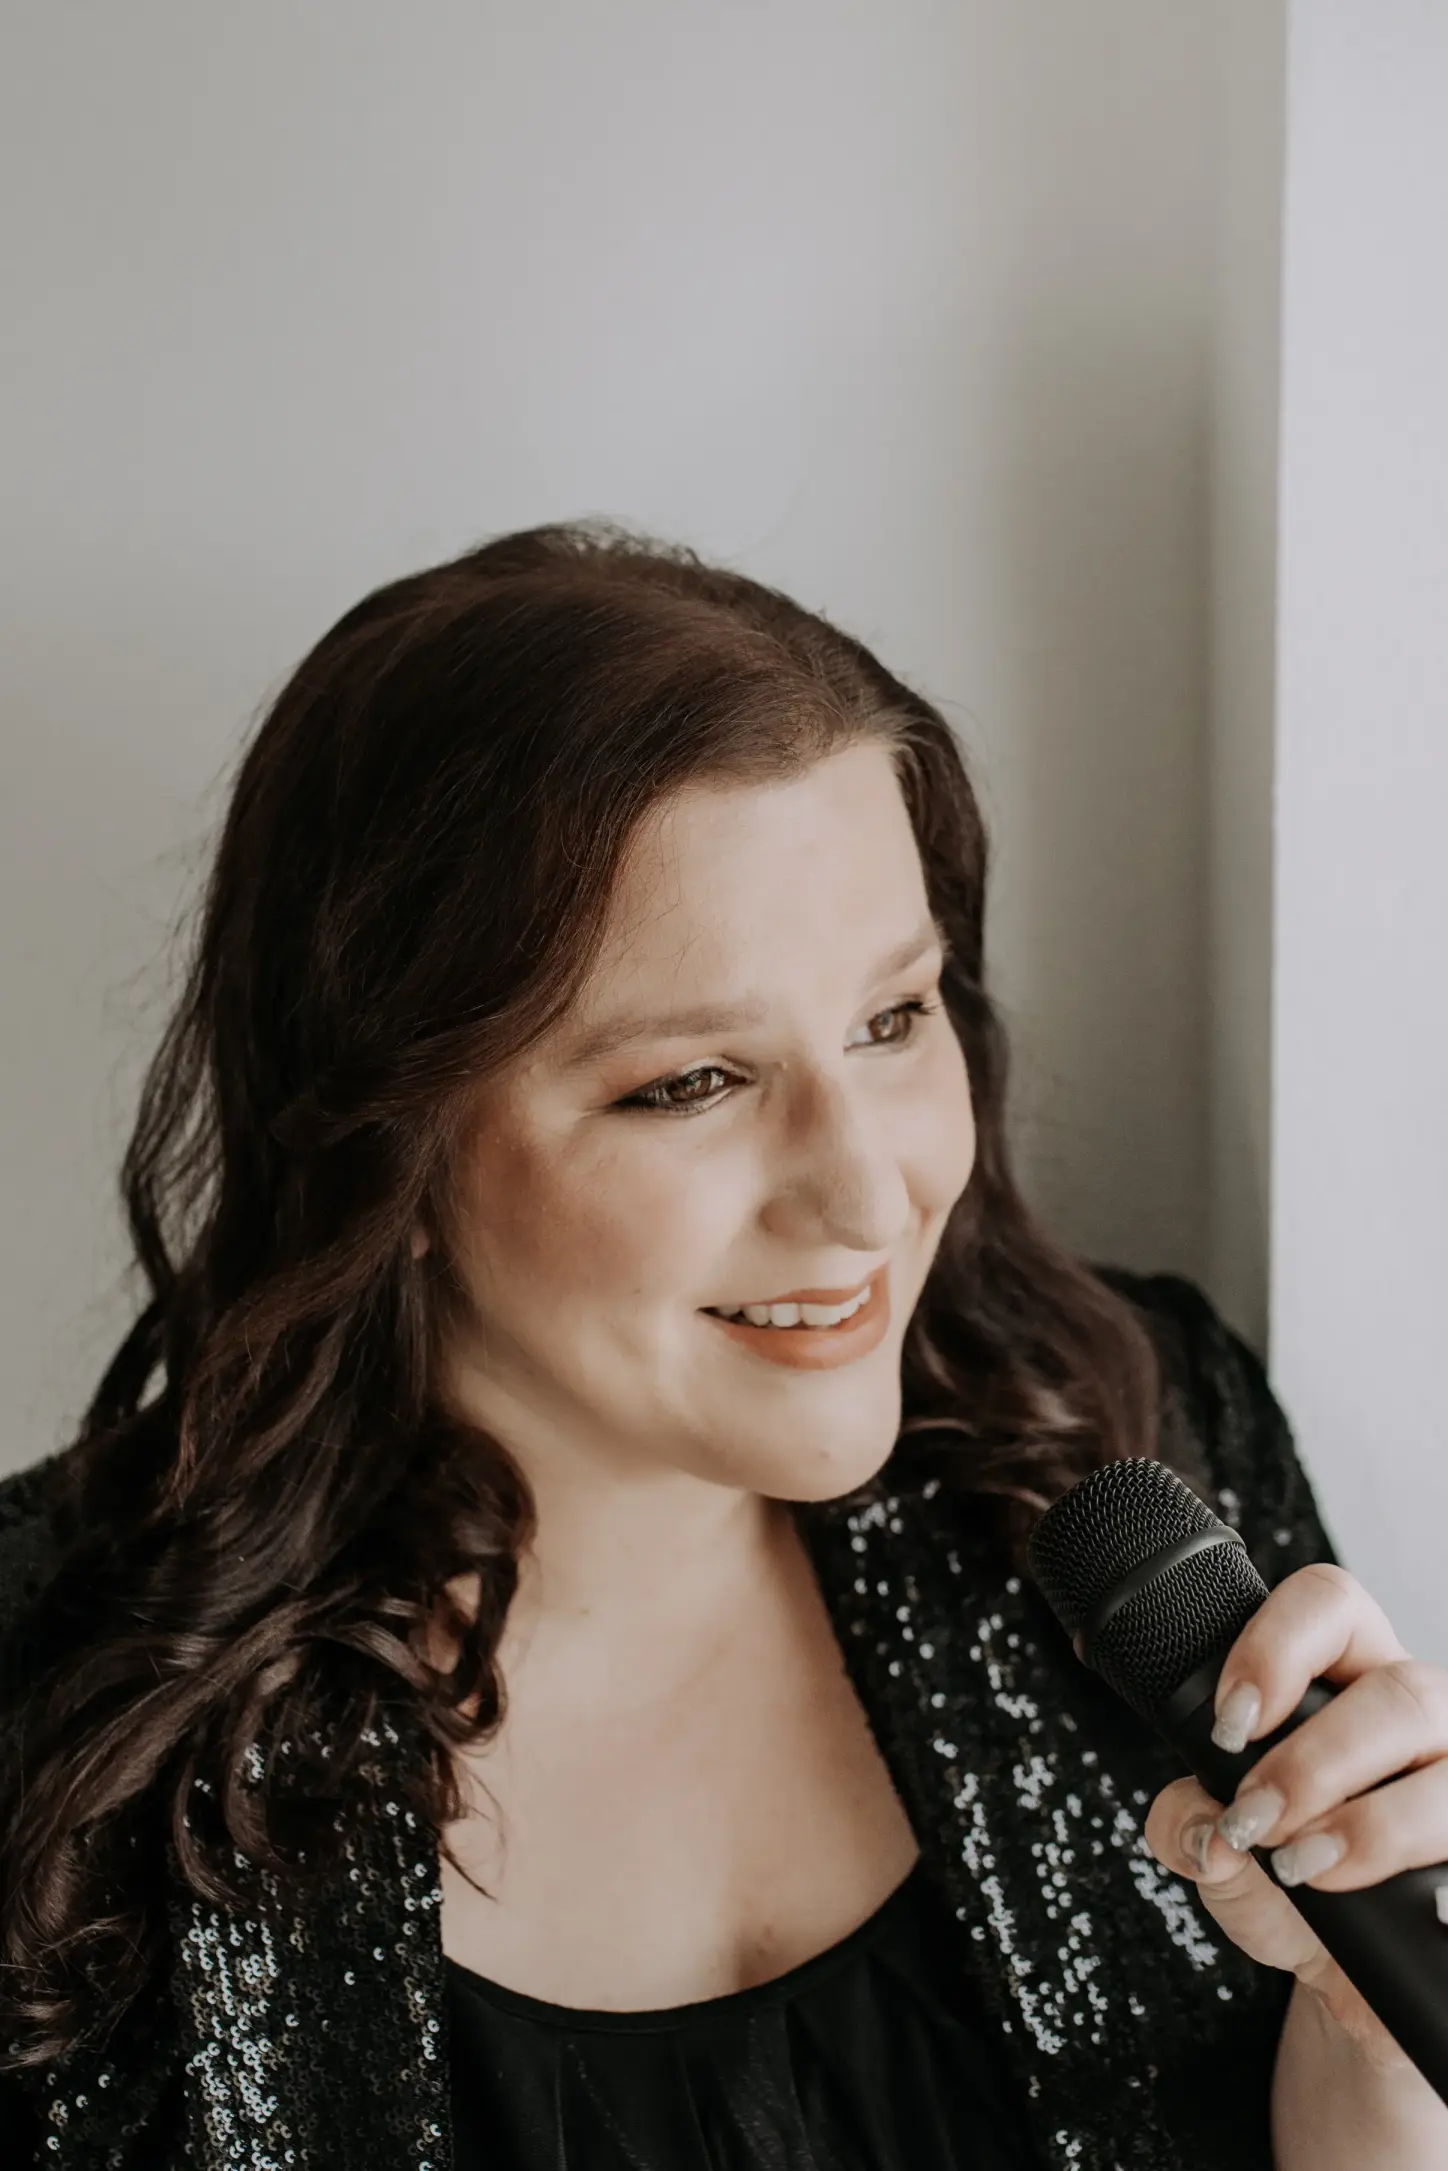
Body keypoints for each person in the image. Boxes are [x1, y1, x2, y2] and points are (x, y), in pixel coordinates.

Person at [2, 524, 1446, 2171]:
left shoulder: (1133, 1433)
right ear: (382, 1149)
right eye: (691, 1083)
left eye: (893, 1018)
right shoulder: (49, 1709)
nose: (870, 1194)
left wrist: (1369, 2050)